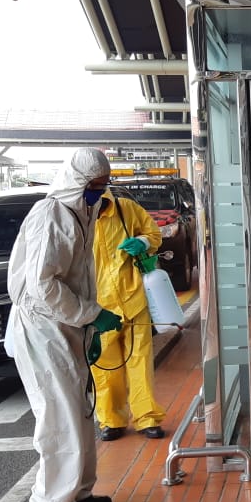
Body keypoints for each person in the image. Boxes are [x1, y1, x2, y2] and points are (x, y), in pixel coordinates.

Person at [5, 148, 123, 502]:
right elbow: (42, 286)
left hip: (64, 327)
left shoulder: (82, 212)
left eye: (104, 185)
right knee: (59, 414)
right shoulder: (52, 214)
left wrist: (87, 326)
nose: (99, 192)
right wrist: (92, 315)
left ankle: (78, 492)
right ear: (77, 182)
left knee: (80, 409)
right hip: (42, 327)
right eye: (94, 185)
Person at [91, 189, 167, 441]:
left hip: (133, 298)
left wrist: (143, 243)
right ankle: (111, 420)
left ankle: (146, 417)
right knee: (105, 369)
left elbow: (154, 234)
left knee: (140, 362)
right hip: (99, 308)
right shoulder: (78, 218)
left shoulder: (126, 209)